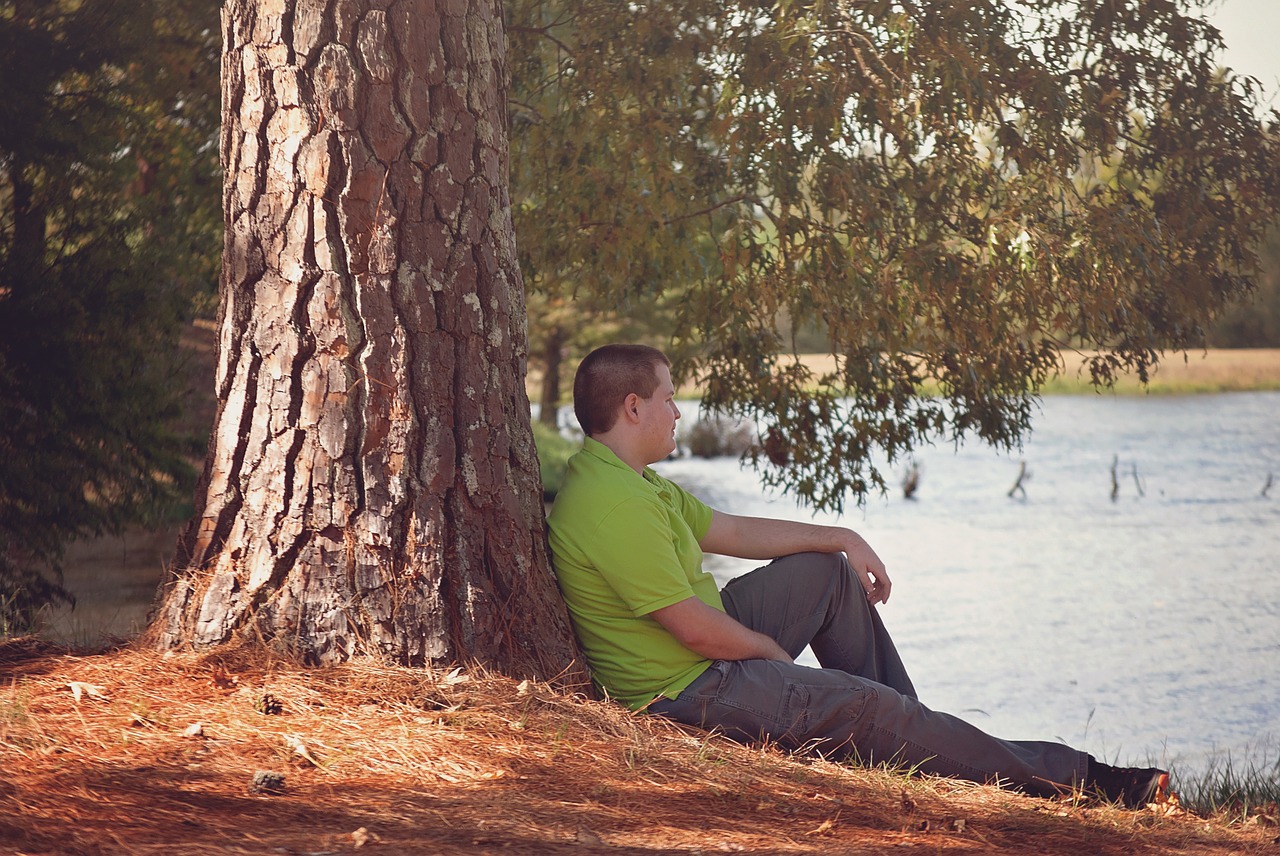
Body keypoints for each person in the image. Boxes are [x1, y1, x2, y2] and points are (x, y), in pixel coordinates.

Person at [546, 343, 1170, 809]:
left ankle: (917, 740)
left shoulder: (631, 480)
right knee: (868, 706)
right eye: (668, 397)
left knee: (827, 574)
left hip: (702, 650)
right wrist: (767, 656)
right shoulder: (616, 506)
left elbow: (731, 533)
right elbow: (696, 632)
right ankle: (1083, 779)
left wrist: (841, 538)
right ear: (633, 407)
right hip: (685, 691)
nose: (679, 412)